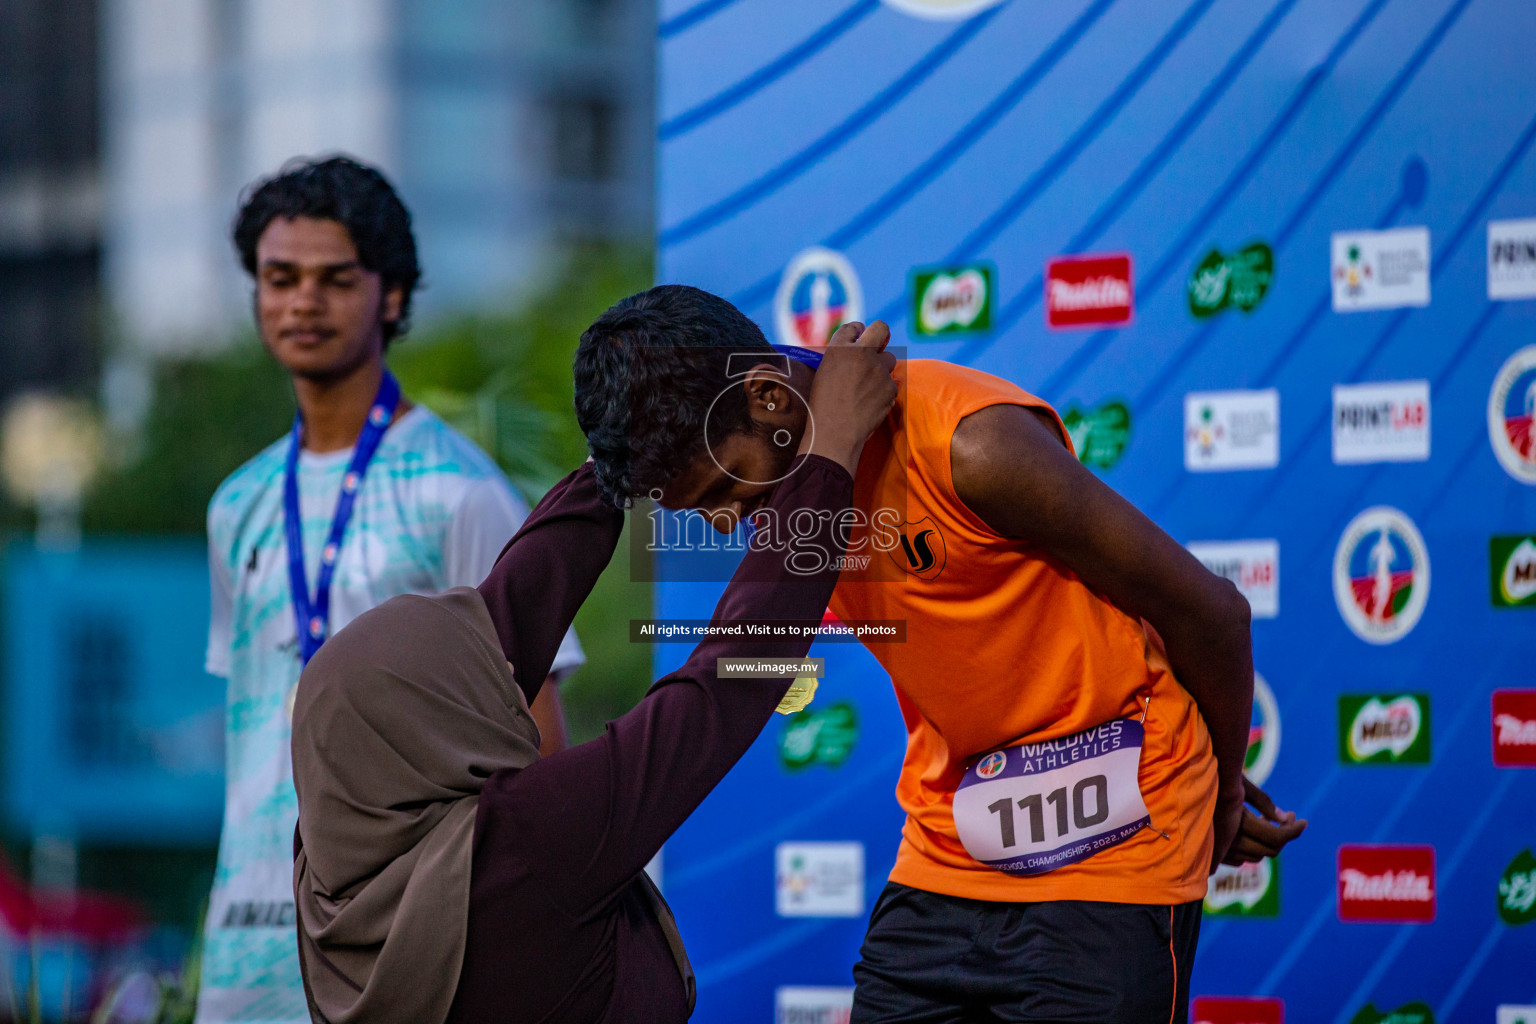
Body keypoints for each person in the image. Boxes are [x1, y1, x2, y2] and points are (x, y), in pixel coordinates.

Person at [573, 285, 1308, 1024]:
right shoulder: (790, 488)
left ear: (767, 397)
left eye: (720, 493)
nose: (728, 525)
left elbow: (1212, 612)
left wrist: (1222, 784)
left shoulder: (970, 445)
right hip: (949, 851)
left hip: (1114, 850)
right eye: (700, 513)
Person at [289, 323, 900, 1024]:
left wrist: (625, 442)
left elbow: (515, 604)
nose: (501, 660)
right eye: (466, 673)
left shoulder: (333, 874)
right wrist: (829, 458)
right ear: (426, 725)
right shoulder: (518, 850)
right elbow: (721, 686)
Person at [199, 155, 582, 1024]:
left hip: (407, 938)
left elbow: (539, 745)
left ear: (394, 297)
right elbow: (251, 740)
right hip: (247, 936)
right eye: (280, 278)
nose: (303, 302)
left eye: (336, 280)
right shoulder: (237, 504)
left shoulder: (462, 491)